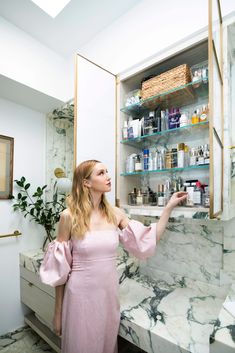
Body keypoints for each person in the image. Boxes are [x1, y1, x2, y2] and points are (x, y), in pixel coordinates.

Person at [40, 159, 187, 353]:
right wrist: (57, 313)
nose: (108, 176)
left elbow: (147, 240)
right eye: (101, 173)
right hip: (80, 298)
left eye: (107, 172)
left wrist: (168, 207)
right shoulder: (69, 216)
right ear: (86, 182)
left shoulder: (115, 214)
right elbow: (60, 272)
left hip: (108, 297)